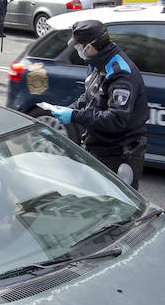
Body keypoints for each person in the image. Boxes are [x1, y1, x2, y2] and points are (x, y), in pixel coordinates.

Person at [40, 20, 149, 188]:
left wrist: (75, 116)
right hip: (98, 147)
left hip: (118, 153)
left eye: (78, 47)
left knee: (114, 207)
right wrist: (71, 109)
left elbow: (116, 119)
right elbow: (90, 97)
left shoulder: (121, 74)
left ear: (88, 47)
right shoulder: (97, 63)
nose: (77, 50)